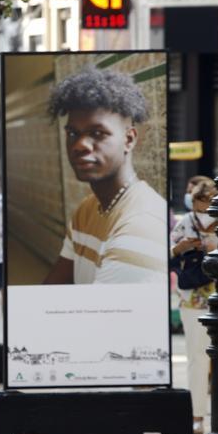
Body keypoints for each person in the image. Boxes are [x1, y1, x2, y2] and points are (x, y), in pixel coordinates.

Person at [41, 67, 169, 285]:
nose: (80, 145)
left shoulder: (140, 227)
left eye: (97, 133)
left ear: (129, 139)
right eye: (73, 133)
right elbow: (52, 293)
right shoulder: (87, 209)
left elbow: (101, 318)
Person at [170, 178, 218, 434]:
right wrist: (183, 247)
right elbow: (170, 254)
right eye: (200, 203)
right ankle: (197, 414)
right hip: (193, 299)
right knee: (197, 358)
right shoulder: (185, 223)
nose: (204, 207)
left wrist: (215, 247)